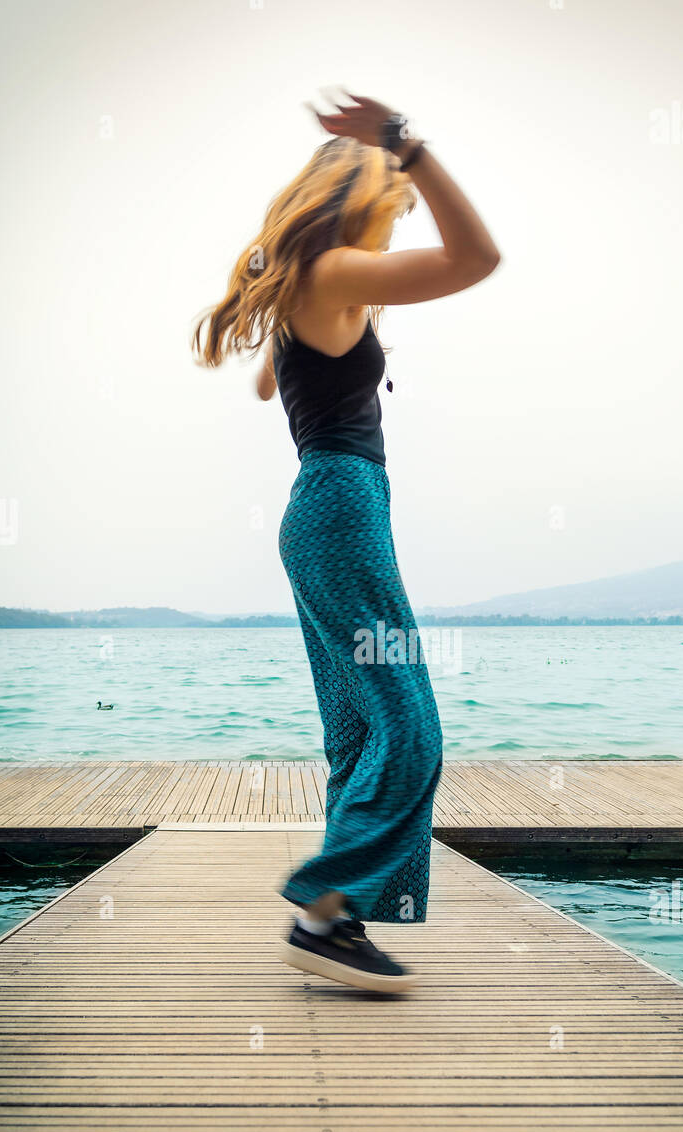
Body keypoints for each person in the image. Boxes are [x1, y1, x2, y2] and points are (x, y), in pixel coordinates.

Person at [193, 90, 500, 992]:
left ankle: (339, 924)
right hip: (344, 506)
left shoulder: (314, 286)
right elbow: (477, 258)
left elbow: (266, 387)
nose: (400, 220)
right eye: (396, 206)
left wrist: (328, 318)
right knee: (410, 724)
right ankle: (324, 904)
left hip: (321, 508)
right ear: (364, 195)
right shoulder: (330, 276)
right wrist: (405, 145)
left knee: (359, 729)